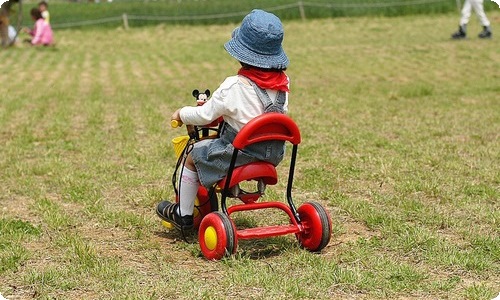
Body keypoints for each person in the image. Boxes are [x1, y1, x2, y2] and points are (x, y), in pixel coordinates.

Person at [156, 9, 290, 230]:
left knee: (192, 156)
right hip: (272, 154)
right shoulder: (283, 84)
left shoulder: (234, 86)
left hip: (239, 153)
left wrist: (181, 113)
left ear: (241, 54)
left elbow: (205, 115)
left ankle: (183, 213)